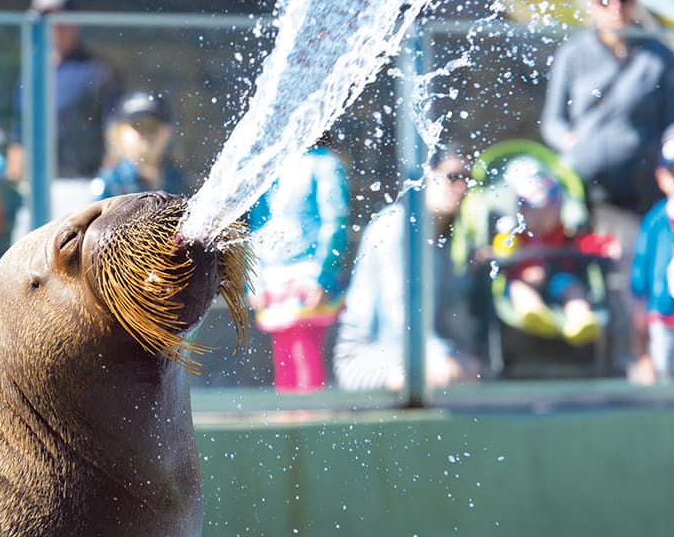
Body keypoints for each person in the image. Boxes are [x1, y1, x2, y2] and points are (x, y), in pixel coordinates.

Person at [539, 0, 674, 380]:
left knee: (633, 275)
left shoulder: (658, 56)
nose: (615, 8)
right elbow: (552, 121)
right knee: (578, 275)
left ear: (634, 1)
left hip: (636, 196)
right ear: (592, 7)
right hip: (581, 192)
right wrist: (570, 142)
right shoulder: (574, 54)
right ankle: (593, 366)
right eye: (604, 0)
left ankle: (639, 359)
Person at [333, 143, 480, 392]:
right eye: (453, 177)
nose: (462, 187)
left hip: (411, 350)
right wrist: (443, 355)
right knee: (437, 375)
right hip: (366, 354)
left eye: (468, 179)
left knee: (470, 370)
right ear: (427, 176)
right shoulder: (395, 225)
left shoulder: (440, 236)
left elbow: (447, 309)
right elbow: (398, 317)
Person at [248, 132, 349, 394]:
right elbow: (257, 226)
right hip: (273, 277)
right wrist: (255, 278)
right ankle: (288, 422)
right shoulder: (269, 165)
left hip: (308, 274)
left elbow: (334, 221)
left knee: (305, 353)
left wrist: (323, 275)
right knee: (284, 357)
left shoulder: (322, 163)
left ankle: (309, 424)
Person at [8, 0, 122, 198]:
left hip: (81, 186)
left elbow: (115, 130)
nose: (54, 27)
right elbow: (20, 131)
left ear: (75, 21)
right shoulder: (31, 71)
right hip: (35, 189)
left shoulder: (98, 71)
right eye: (46, 20)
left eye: (59, 18)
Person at [492, 157, 612, 346]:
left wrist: (606, 245)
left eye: (548, 210)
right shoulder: (517, 235)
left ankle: (581, 318)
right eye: (533, 211)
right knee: (518, 288)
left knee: (573, 287)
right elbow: (501, 252)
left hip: (558, 280)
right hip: (524, 281)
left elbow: (584, 245)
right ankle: (533, 312)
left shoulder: (564, 233)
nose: (541, 217)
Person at [630, 122, 674, 383]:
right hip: (661, 314)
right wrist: (639, 306)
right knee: (665, 371)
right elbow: (641, 267)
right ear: (662, 178)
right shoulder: (655, 221)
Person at [91, 90, 185, 199]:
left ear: (166, 131)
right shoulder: (110, 181)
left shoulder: (178, 179)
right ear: (119, 133)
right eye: (137, 126)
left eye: (152, 126)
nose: (145, 133)